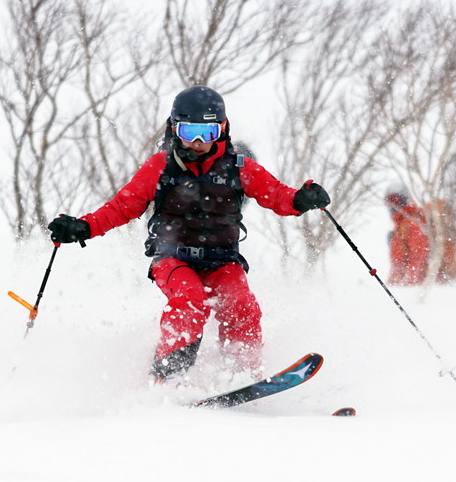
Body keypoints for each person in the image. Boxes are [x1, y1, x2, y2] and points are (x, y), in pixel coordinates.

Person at [48, 86, 330, 382]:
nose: (197, 142)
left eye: (206, 133)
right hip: (173, 258)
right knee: (190, 300)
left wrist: (300, 199)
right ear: (174, 129)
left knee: (241, 303)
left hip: (223, 261)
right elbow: (123, 207)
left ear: (221, 129)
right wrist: (84, 227)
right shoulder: (161, 166)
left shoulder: (238, 167)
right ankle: (166, 379)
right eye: (189, 131)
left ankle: (243, 374)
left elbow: (275, 194)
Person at [385, 185, 456, 285]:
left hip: (419, 287)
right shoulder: (401, 225)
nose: (393, 205)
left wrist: (406, 285)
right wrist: (392, 285)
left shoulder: (413, 222)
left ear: (405, 200)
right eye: (391, 201)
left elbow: (418, 258)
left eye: (397, 200)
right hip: (411, 285)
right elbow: (398, 267)